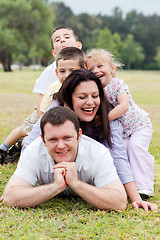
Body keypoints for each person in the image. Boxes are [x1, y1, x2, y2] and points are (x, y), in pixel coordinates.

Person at [23, 69, 157, 212]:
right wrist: (22, 188)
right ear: (68, 100)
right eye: (82, 97)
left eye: (95, 96)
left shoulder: (108, 117)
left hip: (90, 171)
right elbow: (31, 145)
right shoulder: (56, 111)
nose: (90, 103)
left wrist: (136, 199)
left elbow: (118, 156)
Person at [3, 106, 127, 210]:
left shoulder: (98, 153)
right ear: (43, 140)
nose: (61, 145)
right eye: (53, 139)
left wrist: (76, 183)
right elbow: (10, 197)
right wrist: (55, 186)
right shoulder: (33, 151)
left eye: (67, 138)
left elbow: (119, 202)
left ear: (79, 135)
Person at [0, 26, 82, 164]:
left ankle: (22, 144)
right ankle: (3, 148)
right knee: (25, 129)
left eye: (67, 37)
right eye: (58, 39)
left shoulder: (82, 66)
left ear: (78, 46)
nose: (62, 40)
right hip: (44, 109)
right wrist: (42, 120)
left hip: (64, 111)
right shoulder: (50, 72)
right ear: (54, 53)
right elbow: (42, 100)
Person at [85, 49, 155, 198]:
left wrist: (103, 120)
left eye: (99, 66)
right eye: (91, 69)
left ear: (112, 68)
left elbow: (124, 106)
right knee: (121, 152)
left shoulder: (117, 84)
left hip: (138, 126)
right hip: (122, 131)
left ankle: (144, 187)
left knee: (136, 148)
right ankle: (127, 184)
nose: (95, 71)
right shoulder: (95, 90)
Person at [39, 46, 85, 115]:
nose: (66, 75)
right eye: (62, 71)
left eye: (72, 71)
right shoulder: (53, 89)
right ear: (57, 73)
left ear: (83, 71)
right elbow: (43, 113)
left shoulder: (87, 87)